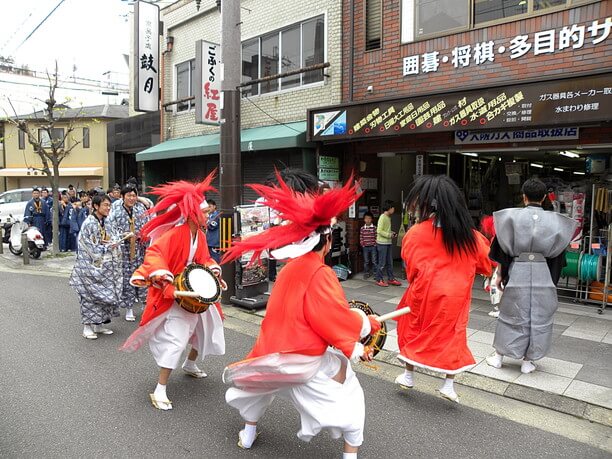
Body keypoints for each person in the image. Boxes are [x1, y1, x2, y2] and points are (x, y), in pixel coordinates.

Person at [222, 174, 379, 458]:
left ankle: (248, 433)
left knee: (256, 390)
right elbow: (333, 319)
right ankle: (350, 454)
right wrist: (366, 325)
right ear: (327, 241)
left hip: (270, 352)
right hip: (302, 359)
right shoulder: (320, 272)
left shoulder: (289, 270)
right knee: (350, 392)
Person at [120, 174, 225, 411]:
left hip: (193, 293)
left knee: (207, 331)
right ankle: (159, 389)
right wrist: (165, 279)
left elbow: (204, 259)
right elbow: (155, 254)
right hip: (176, 295)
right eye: (205, 212)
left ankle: (190, 364)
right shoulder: (174, 235)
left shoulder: (199, 235)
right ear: (192, 214)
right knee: (177, 340)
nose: (209, 215)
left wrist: (213, 273)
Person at [394, 175, 492, 402]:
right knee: (454, 336)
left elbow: (410, 268)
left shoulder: (415, 233)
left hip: (423, 294)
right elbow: (486, 265)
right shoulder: (472, 237)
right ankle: (448, 384)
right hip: (456, 298)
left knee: (412, 330)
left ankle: (408, 375)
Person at [486, 179, 577, 374]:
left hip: (517, 268)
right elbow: (559, 255)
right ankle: (528, 361)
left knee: (509, 312)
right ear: (544, 197)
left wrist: (500, 275)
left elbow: (501, 250)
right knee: (539, 315)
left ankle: (499, 357)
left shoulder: (509, 218)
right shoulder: (556, 221)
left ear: (523, 196)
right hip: (542, 270)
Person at [69, 194, 122, 339]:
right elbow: (87, 246)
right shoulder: (89, 223)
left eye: (109, 205)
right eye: (105, 205)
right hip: (89, 267)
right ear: (96, 206)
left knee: (104, 296)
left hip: (106, 267)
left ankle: (99, 325)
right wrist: (105, 248)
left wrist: (115, 243)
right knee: (89, 297)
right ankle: (87, 326)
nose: (108, 208)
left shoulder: (107, 221)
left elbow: (114, 236)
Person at [108, 184, 150, 322]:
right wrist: (123, 235)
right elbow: (111, 229)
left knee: (144, 275)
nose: (132, 198)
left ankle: (145, 304)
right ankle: (129, 308)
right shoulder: (116, 210)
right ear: (122, 197)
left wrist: (143, 235)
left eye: (134, 195)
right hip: (124, 250)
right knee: (127, 278)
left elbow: (148, 225)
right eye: (129, 196)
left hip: (140, 248)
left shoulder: (140, 208)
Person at [375, 201, 402, 287]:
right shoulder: (382, 217)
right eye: (393, 208)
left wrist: (391, 233)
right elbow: (379, 230)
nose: (394, 209)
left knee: (390, 262)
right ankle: (379, 279)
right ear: (389, 208)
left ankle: (391, 278)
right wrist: (389, 235)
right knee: (382, 262)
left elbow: (385, 230)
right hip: (382, 243)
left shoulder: (388, 217)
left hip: (388, 242)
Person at [480, 215, 501, 318]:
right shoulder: (501, 237)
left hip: (497, 268)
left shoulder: (493, 239)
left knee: (495, 286)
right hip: (503, 267)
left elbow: (492, 256)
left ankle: (497, 309)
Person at [359, 212, 377, 279]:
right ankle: (366, 273)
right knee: (366, 261)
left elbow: (376, 236)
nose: (368, 220)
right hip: (365, 247)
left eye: (369, 218)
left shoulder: (374, 228)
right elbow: (361, 237)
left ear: (372, 219)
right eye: (366, 218)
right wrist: (362, 244)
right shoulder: (362, 228)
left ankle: (375, 273)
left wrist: (375, 244)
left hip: (373, 247)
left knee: (374, 261)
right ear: (364, 219)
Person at [206, 199, 221, 263]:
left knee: (215, 261)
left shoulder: (217, 215)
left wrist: (204, 222)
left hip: (214, 243)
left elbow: (211, 226)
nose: (208, 208)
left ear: (214, 206)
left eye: (210, 206)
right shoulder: (209, 215)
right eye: (207, 207)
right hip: (209, 241)